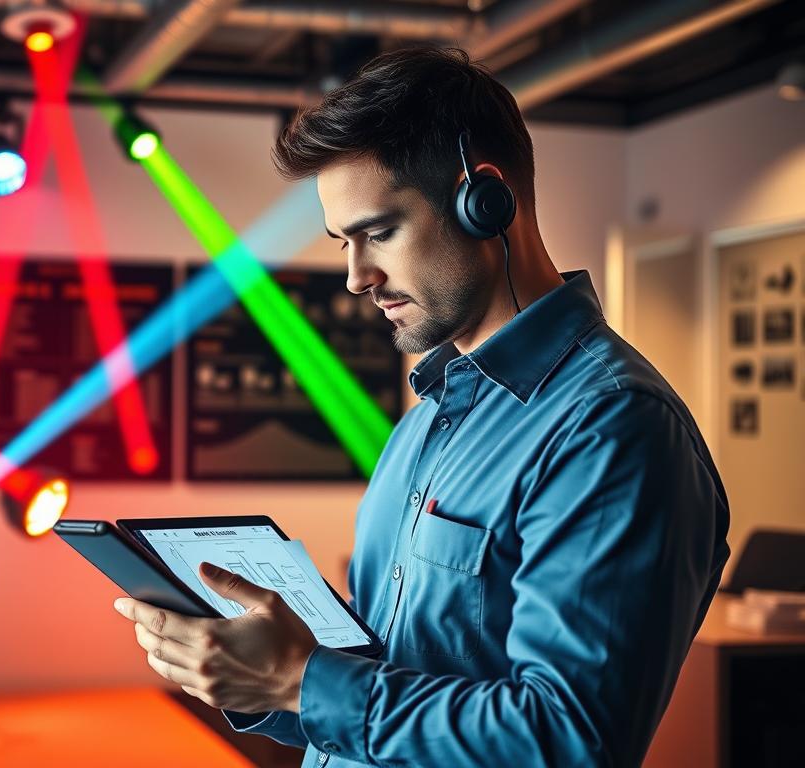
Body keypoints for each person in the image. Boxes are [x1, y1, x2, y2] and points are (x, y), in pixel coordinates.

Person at [112, 47, 729, 767]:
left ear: (485, 201)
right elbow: (378, 684)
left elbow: (566, 740)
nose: (354, 277)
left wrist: (302, 680)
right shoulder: (429, 419)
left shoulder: (612, 426)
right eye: (344, 242)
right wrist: (257, 680)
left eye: (378, 232)